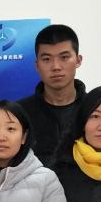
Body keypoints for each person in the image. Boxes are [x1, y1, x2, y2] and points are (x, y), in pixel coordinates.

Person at [16, 24, 86, 167]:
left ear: (78, 60)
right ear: (37, 65)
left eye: (64, 57)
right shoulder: (18, 113)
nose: (56, 67)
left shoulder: (95, 109)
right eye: (47, 59)